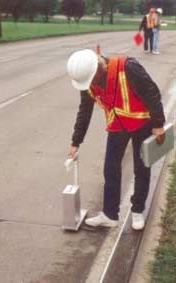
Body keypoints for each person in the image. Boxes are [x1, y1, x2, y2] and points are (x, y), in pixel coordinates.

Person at [66, 48, 166, 230]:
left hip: (142, 123)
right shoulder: (88, 82)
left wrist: (158, 125)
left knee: (142, 168)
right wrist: (76, 142)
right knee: (110, 169)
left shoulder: (128, 67)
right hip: (117, 127)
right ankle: (110, 215)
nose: (91, 84)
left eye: (93, 79)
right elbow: (84, 112)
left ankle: (137, 210)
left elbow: (152, 94)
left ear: (99, 67)